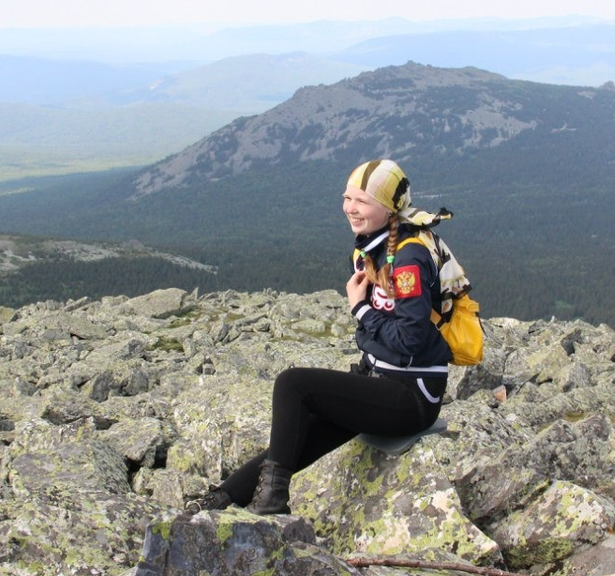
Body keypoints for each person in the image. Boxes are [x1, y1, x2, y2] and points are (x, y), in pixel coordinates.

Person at [186, 158, 454, 515]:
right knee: (296, 438)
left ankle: (272, 503)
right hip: (382, 381)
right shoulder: (372, 248)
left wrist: (359, 309)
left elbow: (411, 340)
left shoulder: (408, 260)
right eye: (347, 198)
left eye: (362, 201)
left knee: (293, 384)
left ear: (389, 209)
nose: (350, 208)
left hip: (412, 398)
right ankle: (219, 501)